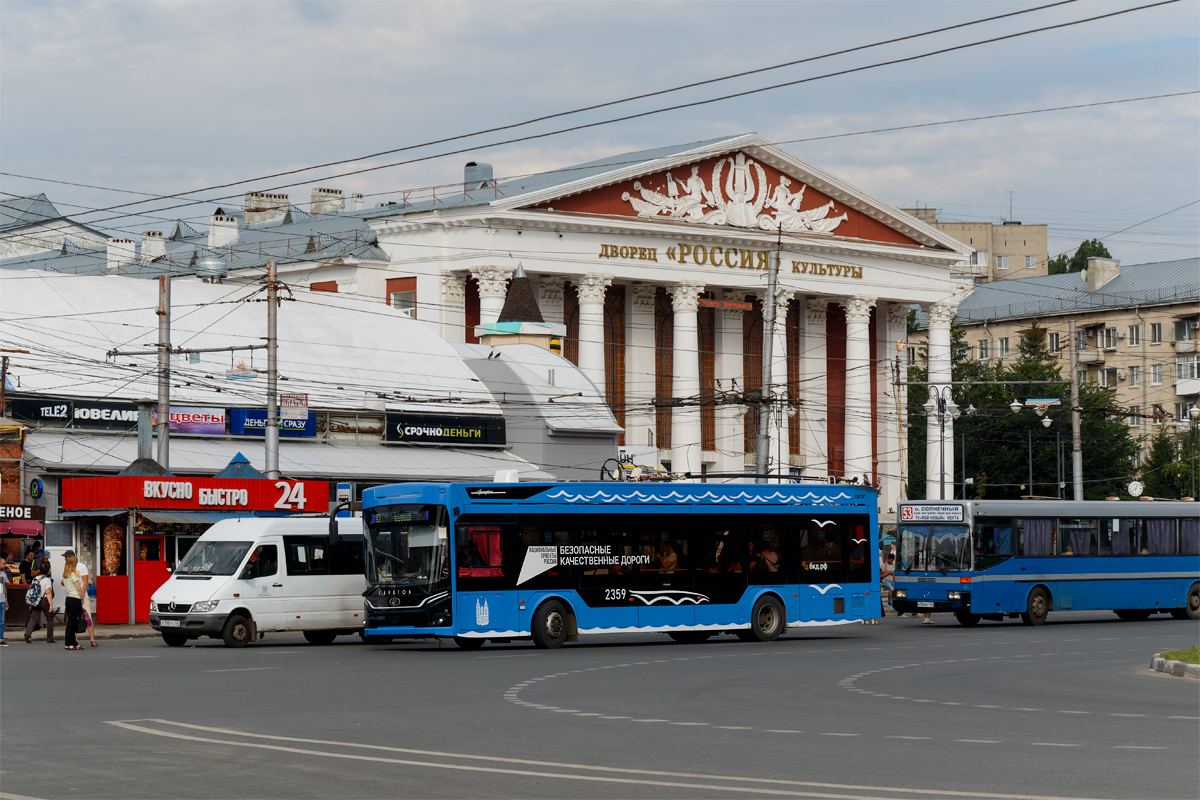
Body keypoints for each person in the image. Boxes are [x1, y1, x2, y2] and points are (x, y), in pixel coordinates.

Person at [61, 550, 87, 651]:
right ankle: (68, 643)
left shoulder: (65, 575)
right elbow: (78, 588)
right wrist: (82, 598)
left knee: (71, 621)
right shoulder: (73, 575)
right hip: (75, 598)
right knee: (72, 622)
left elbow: (62, 583)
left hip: (68, 598)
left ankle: (74, 643)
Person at [23, 560, 54, 644]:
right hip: (44, 600)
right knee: (50, 619)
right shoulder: (47, 580)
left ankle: (27, 634)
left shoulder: (35, 579)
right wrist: (51, 604)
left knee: (34, 619)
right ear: (48, 571)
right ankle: (50, 638)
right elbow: (48, 592)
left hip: (35, 600)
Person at [0, 555, 9, 646]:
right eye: (3, 564)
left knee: (2, 622)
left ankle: (1, 638)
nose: (4, 565)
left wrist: (6, 600)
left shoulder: (4, 574)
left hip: (2, 599)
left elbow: (5, 587)